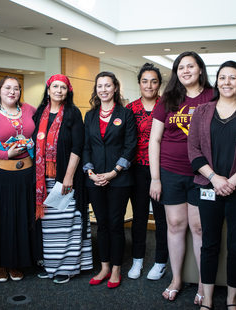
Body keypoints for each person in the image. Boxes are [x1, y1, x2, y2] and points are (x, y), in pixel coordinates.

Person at [149, 51, 212, 303]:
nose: (185, 71)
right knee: (175, 226)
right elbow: (155, 139)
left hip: (203, 174)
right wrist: (155, 178)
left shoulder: (213, 96)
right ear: (176, 73)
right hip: (171, 172)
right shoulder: (168, 99)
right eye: (180, 67)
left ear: (199, 69)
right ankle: (176, 279)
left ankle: (201, 283)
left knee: (198, 228)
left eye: (190, 66)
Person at [0, 76, 42, 282]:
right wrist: (7, 155)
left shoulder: (29, 110)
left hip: (25, 176)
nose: (12, 92)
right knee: (0, 220)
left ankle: (17, 263)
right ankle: (1, 264)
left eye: (16, 88)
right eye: (7, 88)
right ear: (0, 91)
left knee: (21, 219)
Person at [188, 61, 236, 310]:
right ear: (216, 81)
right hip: (208, 186)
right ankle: (207, 299)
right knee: (209, 244)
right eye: (222, 77)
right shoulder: (202, 111)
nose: (227, 82)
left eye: (233, 77)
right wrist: (215, 178)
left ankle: (231, 300)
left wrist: (233, 180)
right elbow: (194, 150)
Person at [34, 74, 93, 284]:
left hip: (66, 179)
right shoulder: (39, 113)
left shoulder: (73, 113)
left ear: (68, 91)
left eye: (63, 88)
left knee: (68, 224)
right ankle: (51, 266)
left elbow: (77, 147)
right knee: (50, 228)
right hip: (43, 181)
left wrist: (68, 177)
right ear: (48, 90)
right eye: (55, 87)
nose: (59, 91)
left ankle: (66, 268)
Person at [83, 71, 136, 288]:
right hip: (94, 179)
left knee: (115, 224)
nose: (103, 89)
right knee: (101, 224)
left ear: (115, 88)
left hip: (119, 180)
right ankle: (104, 266)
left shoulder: (126, 114)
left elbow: (131, 146)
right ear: (96, 89)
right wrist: (90, 172)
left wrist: (114, 172)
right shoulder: (90, 115)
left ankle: (116, 269)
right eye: (99, 86)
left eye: (107, 85)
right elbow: (85, 146)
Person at [126, 63, 168, 280]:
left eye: (153, 81)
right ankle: (137, 260)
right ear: (139, 83)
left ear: (159, 84)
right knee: (140, 216)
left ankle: (161, 261)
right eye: (145, 81)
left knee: (162, 218)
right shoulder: (130, 109)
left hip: (163, 169)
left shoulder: (169, 106)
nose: (149, 85)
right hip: (137, 169)